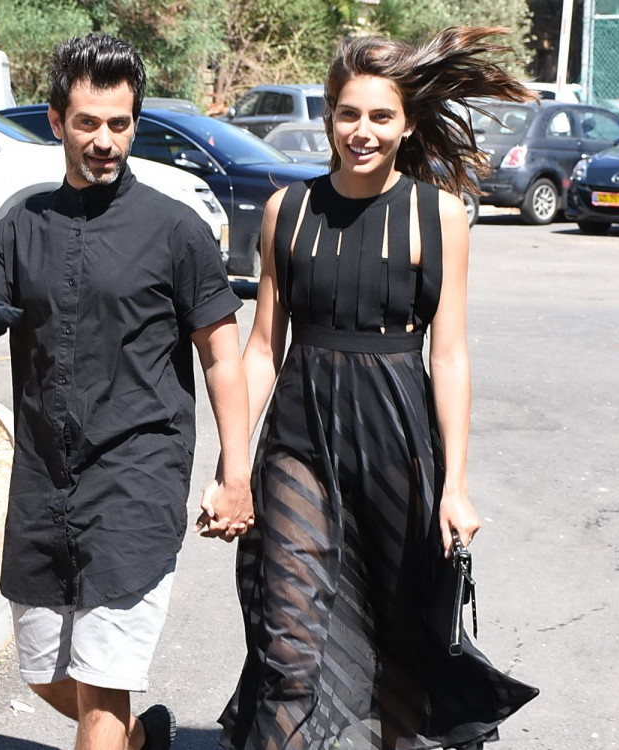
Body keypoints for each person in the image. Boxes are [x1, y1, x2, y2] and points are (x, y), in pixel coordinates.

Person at [216, 27, 540, 750]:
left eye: (380, 116)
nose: (361, 131)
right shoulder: (286, 211)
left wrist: (455, 487)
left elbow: (448, 357)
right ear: (330, 116)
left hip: (398, 446)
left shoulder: (439, 215)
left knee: (402, 646)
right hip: (299, 442)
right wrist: (232, 468)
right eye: (348, 114)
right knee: (288, 641)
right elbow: (262, 348)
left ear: (408, 124)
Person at [0, 34, 253, 750]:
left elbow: (221, 356)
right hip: (44, 481)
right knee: (46, 673)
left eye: (119, 123)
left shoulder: (176, 230)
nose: (105, 141)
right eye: (87, 123)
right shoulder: (22, 227)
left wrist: (236, 473)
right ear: (57, 121)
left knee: (104, 682)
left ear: (135, 124)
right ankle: (140, 742)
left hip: (138, 475)